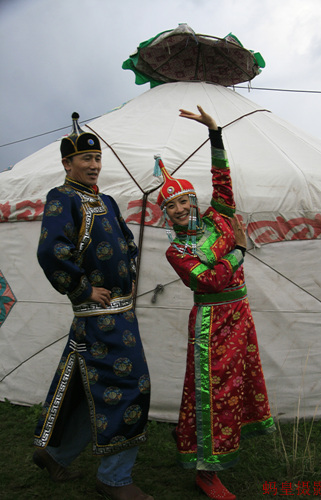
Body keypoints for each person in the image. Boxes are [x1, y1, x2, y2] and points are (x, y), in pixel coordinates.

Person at [153, 106, 275, 500]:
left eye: (185, 200)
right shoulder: (176, 251)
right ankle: (205, 471)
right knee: (213, 391)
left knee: (236, 386)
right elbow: (210, 280)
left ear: (194, 199)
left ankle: (191, 435)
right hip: (211, 322)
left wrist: (215, 133)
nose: (180, 209)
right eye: (171, 206)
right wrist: (240, 250)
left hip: (240, 314)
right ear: (166, 213)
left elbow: (221, 177)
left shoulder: (219, 217)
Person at [33, 113, 153, 500]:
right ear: (67, 163)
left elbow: (126, 242)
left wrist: (129, 272)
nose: (94, 165)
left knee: (90, 388)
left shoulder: (107, 200)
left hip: (121, 313)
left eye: (97, 158)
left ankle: (55, 453)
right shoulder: (62, 198)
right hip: (98, 317)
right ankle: (114, 478)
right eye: (85, 159)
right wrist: (84, 289)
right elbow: (52, 250)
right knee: (132, 387)